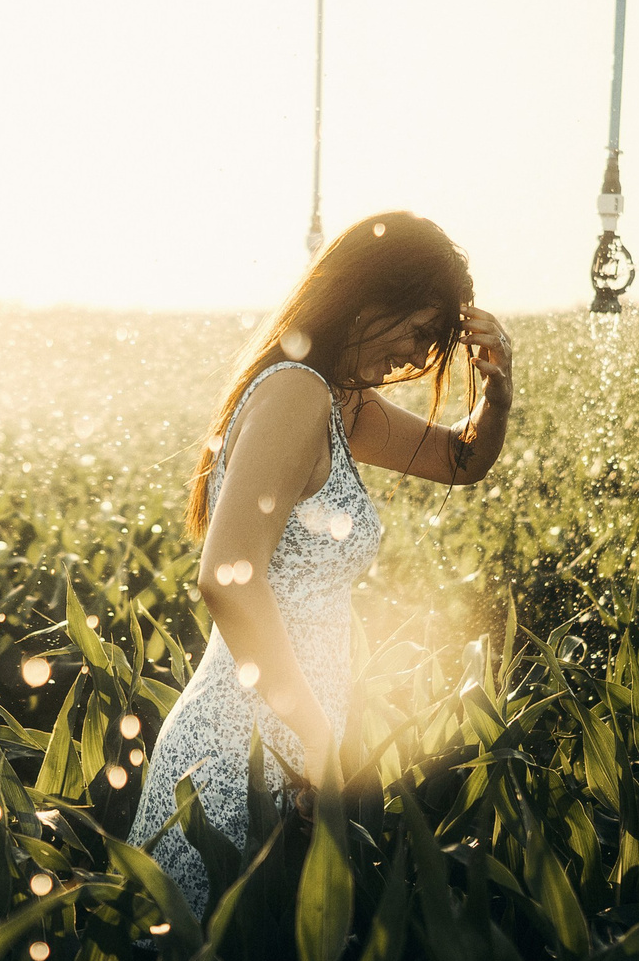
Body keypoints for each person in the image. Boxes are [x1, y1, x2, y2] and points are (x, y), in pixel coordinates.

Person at [125, 211, 513, 915]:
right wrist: (311, 732)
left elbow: (460, 461)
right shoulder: (295, 393)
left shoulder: (339, 403)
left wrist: (498, 389)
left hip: (289, 739)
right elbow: (227, 576)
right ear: (370, 295)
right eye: (420, 331)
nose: (415, 357)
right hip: (242, 745)